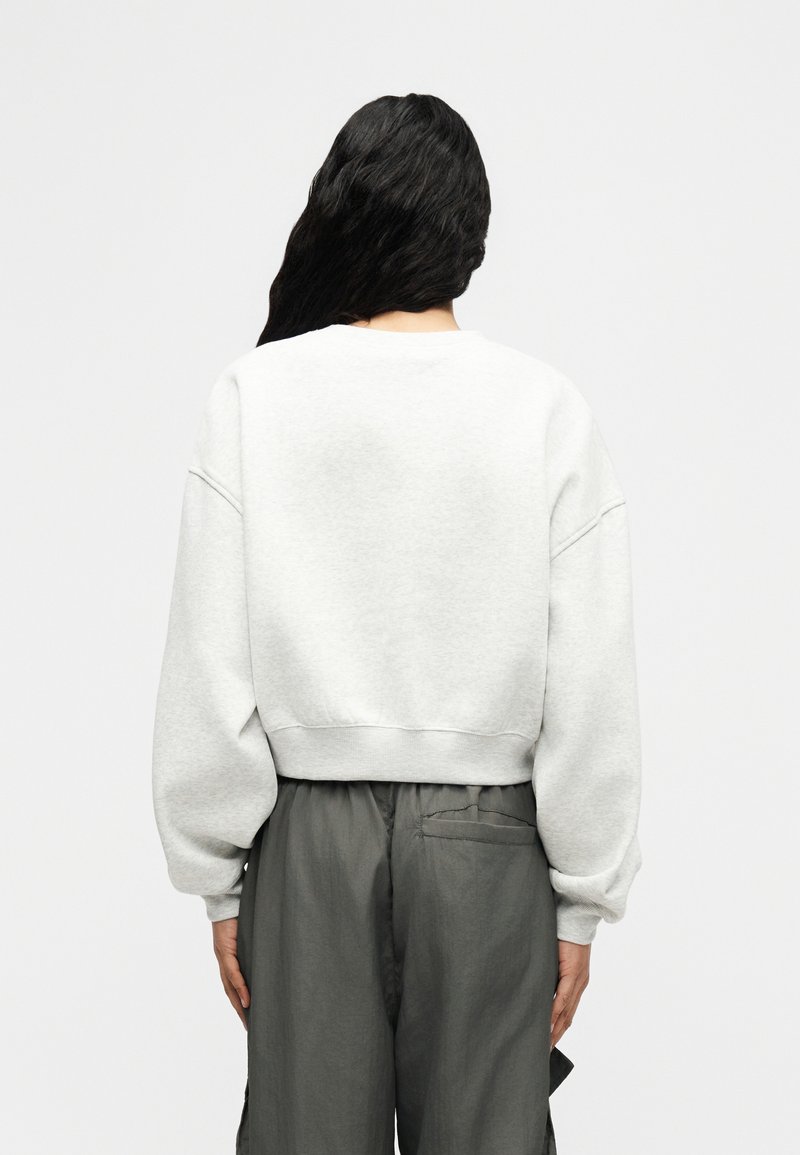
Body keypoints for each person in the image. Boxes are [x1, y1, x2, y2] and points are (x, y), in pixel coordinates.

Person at [151, 92, 643, 1155]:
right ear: (472, 234)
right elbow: (590, 679)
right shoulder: (544, 410)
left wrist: (217, 879)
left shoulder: (254, 396)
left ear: (340, 210)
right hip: (489, 841)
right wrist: (581, 899)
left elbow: (207, 656)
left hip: (306, 841)